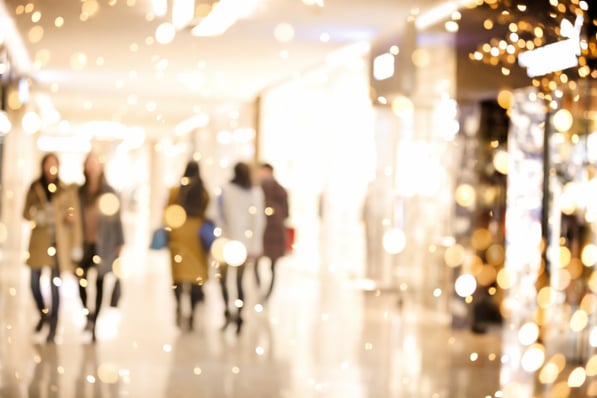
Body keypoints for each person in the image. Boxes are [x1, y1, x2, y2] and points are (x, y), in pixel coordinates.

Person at [23, 152, 83, 343]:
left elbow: (74, 217)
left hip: (59, 244)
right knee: (33, 282)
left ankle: (54, 326)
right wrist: (36, 216)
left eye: (54, 164)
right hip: (39, 242)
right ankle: (44, 314)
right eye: (48, 164)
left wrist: (75, 243)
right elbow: (24, 212)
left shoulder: (65, 190)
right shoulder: (35, 187)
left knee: (55, 284)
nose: (51, 168)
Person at [76, 152, 125, 342]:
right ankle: (88, 313)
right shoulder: (80, 192)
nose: (93, 167)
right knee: (80, 280)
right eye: (90, 163)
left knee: (100, 282)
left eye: (96, 163)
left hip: (103, 244)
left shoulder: (109, 192)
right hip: (84, 244)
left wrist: (120, 243)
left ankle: (94, 323)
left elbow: (116, 220)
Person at [217, 161, 265, 333]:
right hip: (244, 245)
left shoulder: (226, 190)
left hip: (226, 242)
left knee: (223, 280)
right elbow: (258, 222)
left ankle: (228, 312)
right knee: (239, 281)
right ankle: (238, 314)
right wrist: (255, 247)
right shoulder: (255, 193)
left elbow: (218, 216)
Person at [165, 160, 210, 332]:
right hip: (197, 236)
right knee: (195, 276)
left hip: (178, 235)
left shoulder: (176, 192)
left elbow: (168, 212)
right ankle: (190, 314)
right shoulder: (203, 193)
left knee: (178, 276)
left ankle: (178, 306)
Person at [254, 162, 289, 301]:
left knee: (272, 265)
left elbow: (286, 212)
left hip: (272, 232)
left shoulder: (278, 190)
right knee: (258, 263)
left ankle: (266, 294)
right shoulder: (257, 190)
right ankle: (261, 291)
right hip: (262, 231)